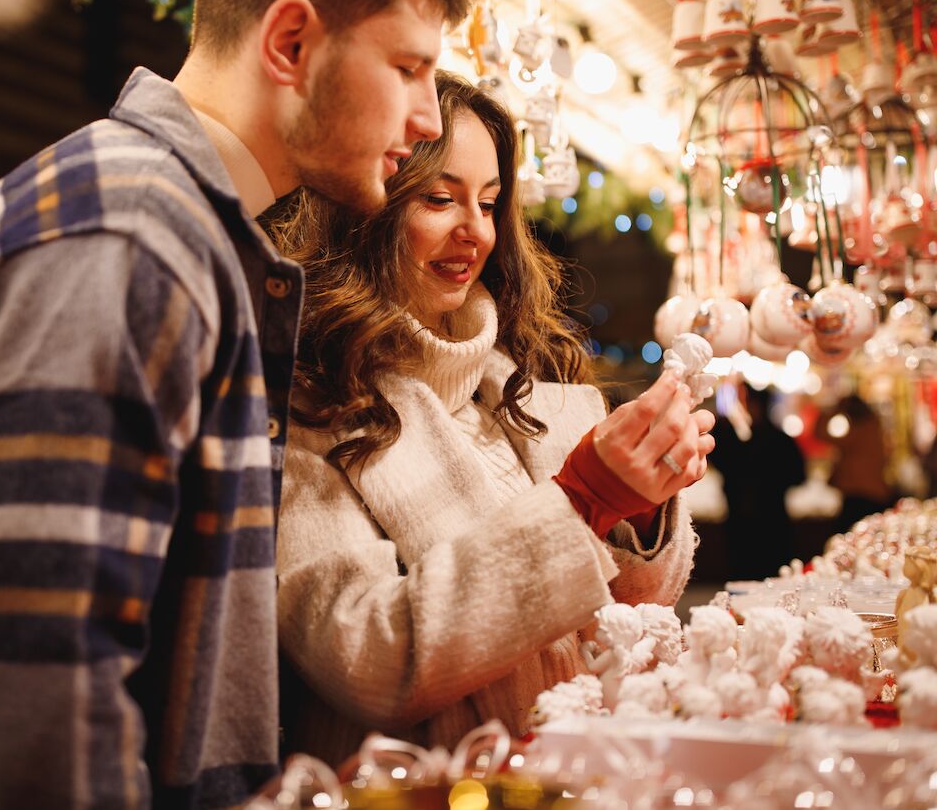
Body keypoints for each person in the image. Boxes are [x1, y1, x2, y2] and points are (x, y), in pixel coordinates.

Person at [0, 0, 470, 808]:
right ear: (290, 42)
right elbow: (40, 682)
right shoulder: (129, 236)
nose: (428, 116)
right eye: (409, 68)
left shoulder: (174, 226)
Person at [265, 73, 712, 762]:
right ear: (363, 208)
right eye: (439, 198)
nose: (474, 230)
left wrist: (641, 508)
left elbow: (628, 610)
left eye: (491, 202)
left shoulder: (536, 384)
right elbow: (368, 660)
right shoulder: (308, 408)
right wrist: (582, 503)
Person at [709, 386, 805, 580]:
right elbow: (799, 476)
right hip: (761, 518)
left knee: (752, 572)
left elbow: (798, 475)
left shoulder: (743, 439)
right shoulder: (777, 439)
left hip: (760, 519)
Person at [821, 394, 891, 534]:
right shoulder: (874, 426)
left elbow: (819, 432)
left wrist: (835, 410)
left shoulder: (857, 431)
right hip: (875, 493)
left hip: (859, 496)